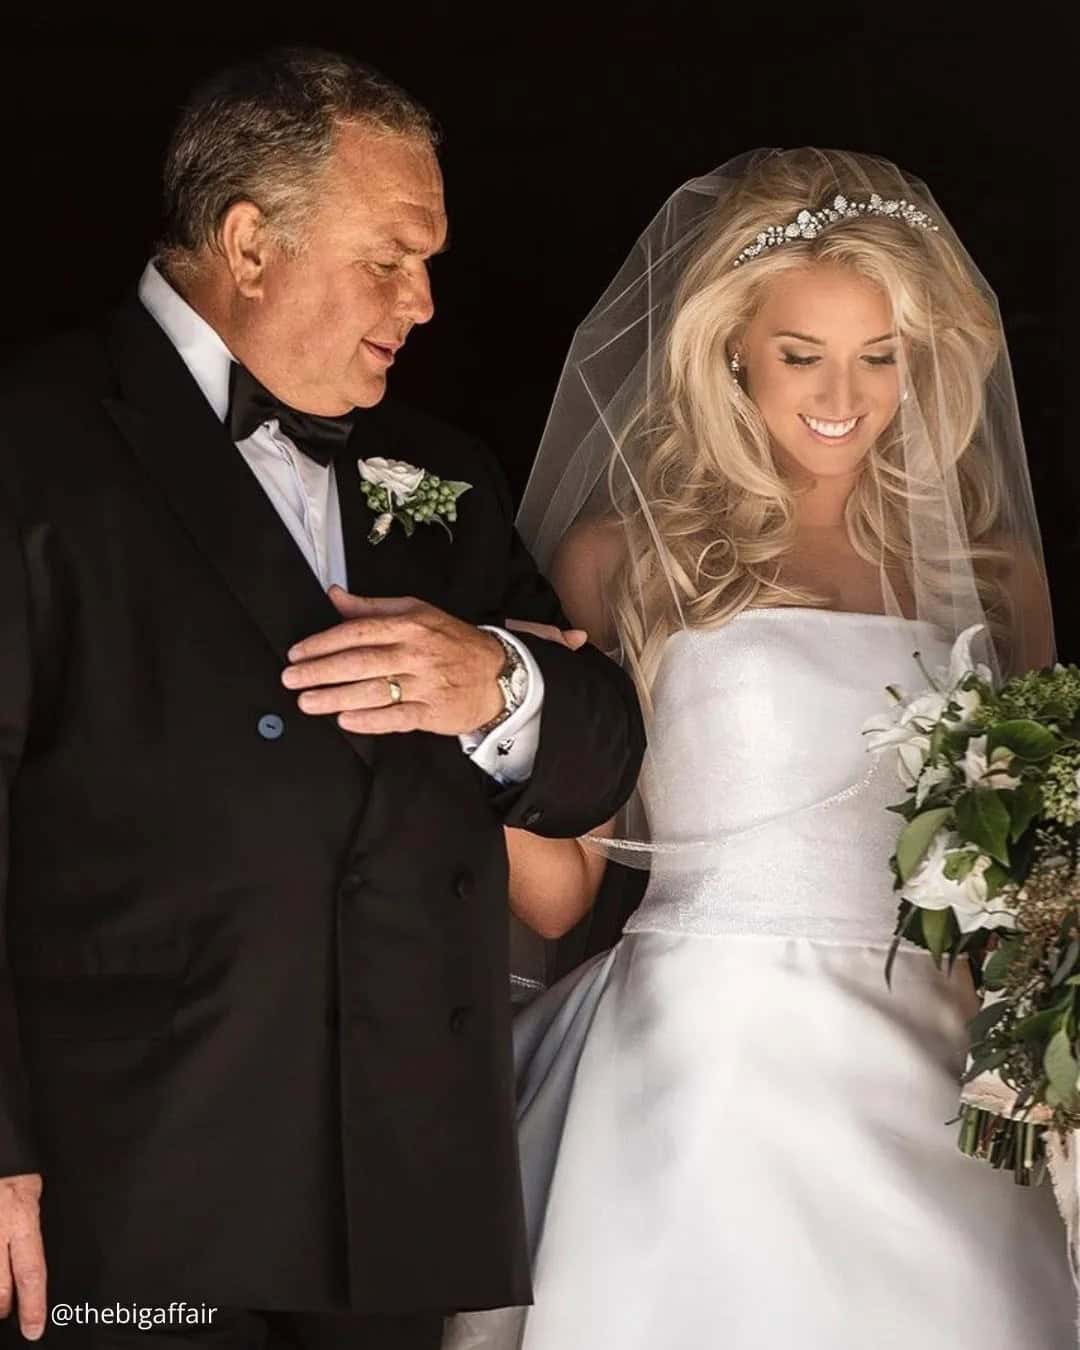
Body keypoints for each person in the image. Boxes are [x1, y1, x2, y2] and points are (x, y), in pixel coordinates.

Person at [0, 46, 645, 1350]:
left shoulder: (444, 474)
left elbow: (599, 749)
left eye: (434, 264)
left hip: (397, 1176)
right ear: (247, 243)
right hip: (134, 1165)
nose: (423, 301)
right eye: (391, 256)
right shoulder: (32, 442)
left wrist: (497, 678)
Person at [446, 147, 1072, 1348]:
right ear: (730, 346)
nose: (846, 392)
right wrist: (481, 739)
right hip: (704, 1060)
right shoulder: (625, 559)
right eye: (804, 354)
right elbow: (562, 876)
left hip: (943, 1073)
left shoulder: (995, 580)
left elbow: (1038, 867)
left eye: (881, 357)